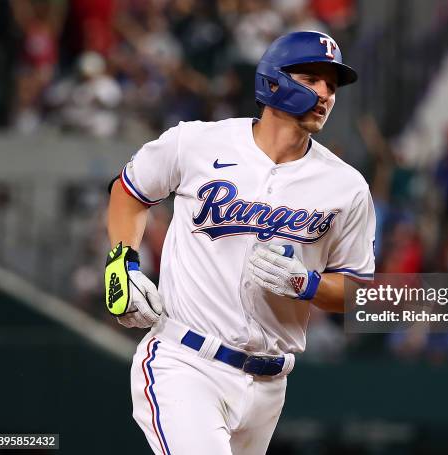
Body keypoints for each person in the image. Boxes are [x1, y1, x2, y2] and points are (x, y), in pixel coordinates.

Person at [104, 30, 375, 454]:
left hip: (270, 386)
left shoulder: (347, 187)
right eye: (311, 79)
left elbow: (359, 292)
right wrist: (123, 259)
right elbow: (130, 190)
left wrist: (308, 284)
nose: (325, 93)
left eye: (332, 85)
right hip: (186, 362)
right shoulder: (197, 142)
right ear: (272, 81)